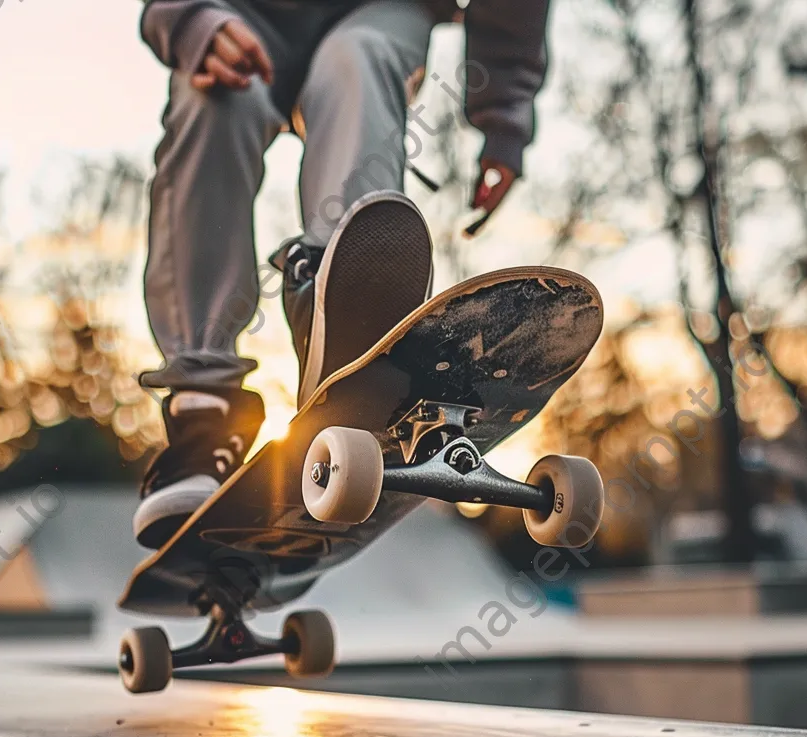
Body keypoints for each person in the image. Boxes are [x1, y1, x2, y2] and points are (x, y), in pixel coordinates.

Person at [134, 0, 551, 546]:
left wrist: (503, 116)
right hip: (241, 12)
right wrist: (188, 19)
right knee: (214, 103)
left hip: (380, 10)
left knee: (359, 63)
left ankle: (347, 334)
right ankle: (203, 412)